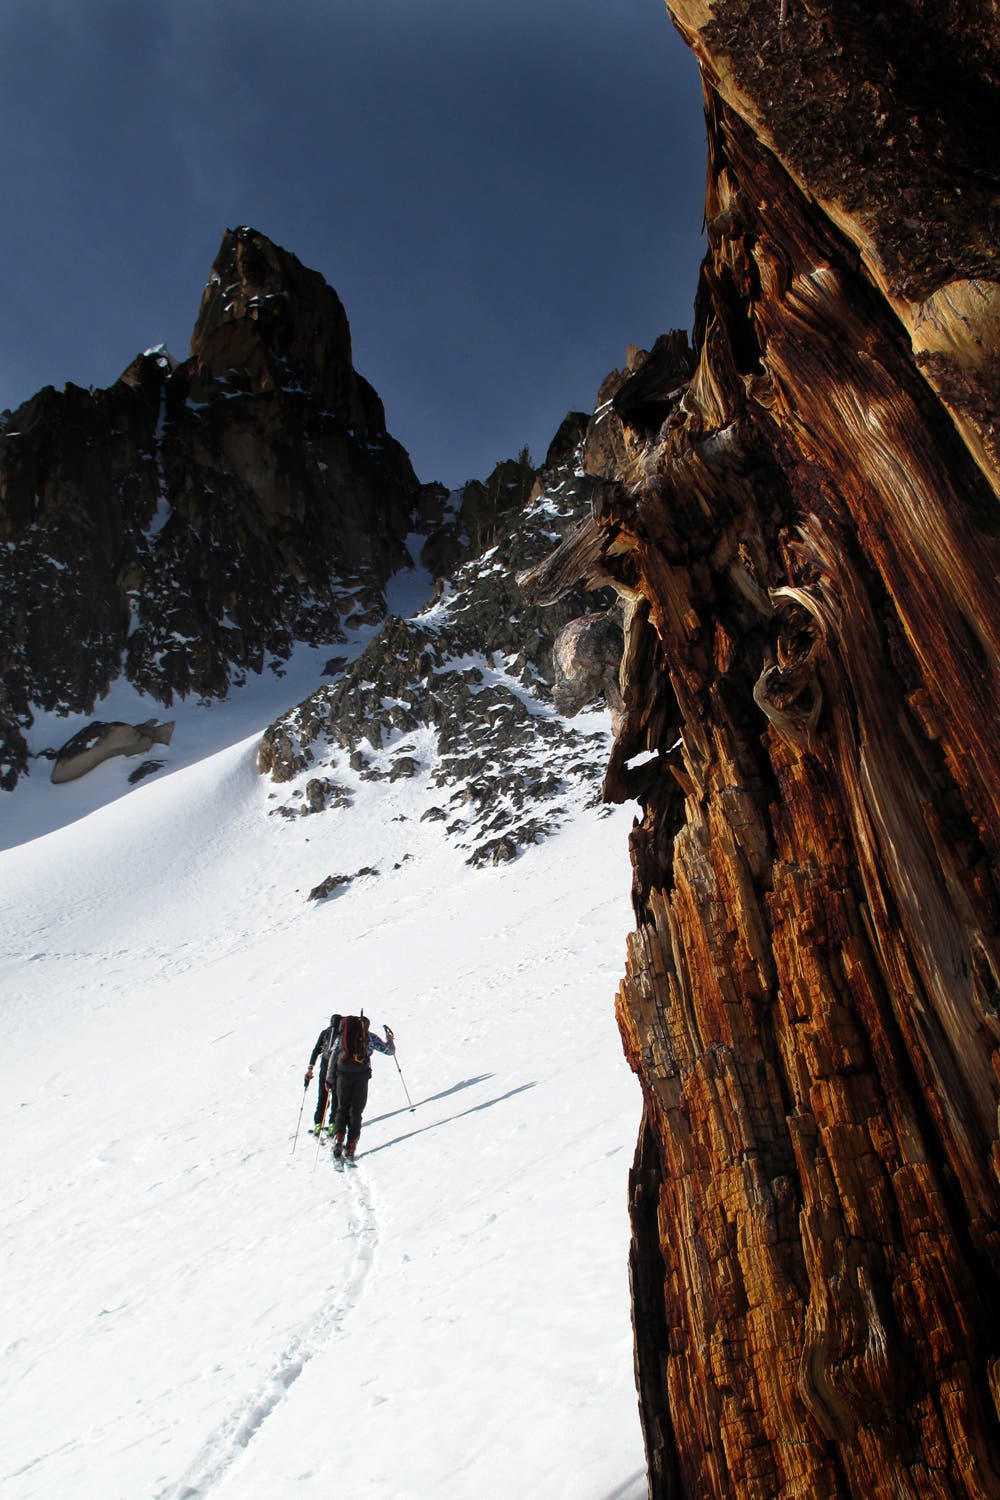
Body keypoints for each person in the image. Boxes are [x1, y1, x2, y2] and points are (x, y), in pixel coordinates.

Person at [329, 1015, 395, 1159]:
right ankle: (351, 1145)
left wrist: (329, 1077)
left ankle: (338, 1139)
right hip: (361, 1075)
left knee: (342, 1107)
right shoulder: (370, 1037)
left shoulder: (343, 1037)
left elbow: (333, 1054)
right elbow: (389, 1051)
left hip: (343, 1074)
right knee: (356, 1110)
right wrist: (390, 1040)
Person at [304, 1013, 342, 1134]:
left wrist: (310, 1068)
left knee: (322, 1096)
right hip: (338, 1068)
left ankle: (318, 1125)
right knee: (336, 1097)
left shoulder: (325, 1033)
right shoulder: (342, 1035)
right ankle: (332, 1125)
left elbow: (316, 1050)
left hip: (325, 1067)